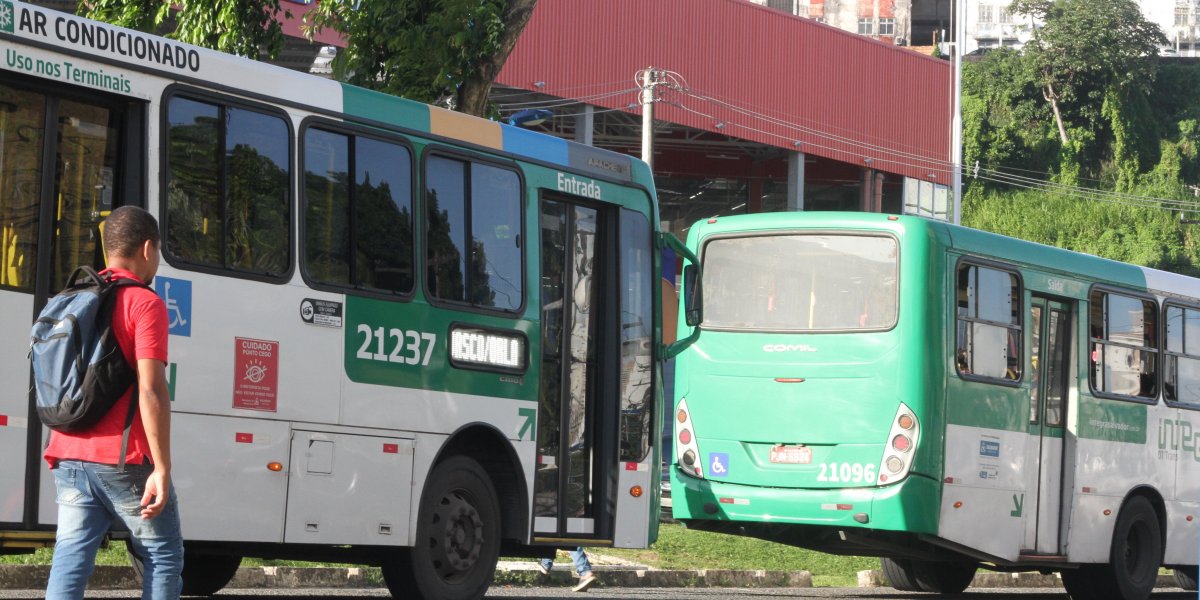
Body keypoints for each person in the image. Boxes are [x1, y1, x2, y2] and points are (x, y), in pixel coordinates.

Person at [44, 206, 183, 600]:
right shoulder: (144, 303)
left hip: (67, 452)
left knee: (70, 559)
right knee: (162, 554)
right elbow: (151, 390)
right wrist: (161, 467)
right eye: (158, 252)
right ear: (147, 248)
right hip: (124, 459)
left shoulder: (72, 296)